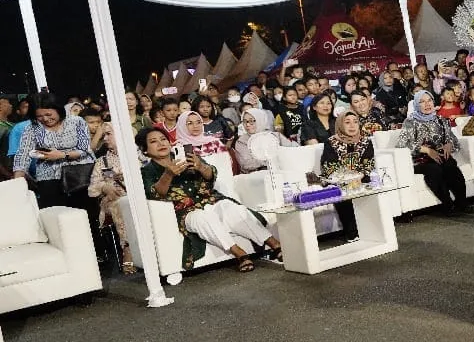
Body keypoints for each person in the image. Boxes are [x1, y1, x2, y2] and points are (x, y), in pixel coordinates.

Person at [137, 128, 280, 272]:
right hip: (186, 211)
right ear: (145, 150)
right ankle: (239, 253)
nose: (160, 143)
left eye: (163, 139)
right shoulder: (147, 171)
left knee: (231, 208)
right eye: (153, 142)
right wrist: (168, 174)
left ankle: (274, 244)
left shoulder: (187, 156)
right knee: (201, 217)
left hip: (211, 200)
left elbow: (211, 175)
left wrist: (200, 166)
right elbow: (154, 194)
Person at [13, 94, 95, 210]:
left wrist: (61, 155)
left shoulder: (77, 122)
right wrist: (18, 182)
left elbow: (85, 149)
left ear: (58, 110)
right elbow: (23, 154)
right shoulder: (32, 127)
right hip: (49, 179)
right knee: (55, 218)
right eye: (39, 116)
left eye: (48, 114)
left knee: (86, 215)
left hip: (80, 177)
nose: (45, 119)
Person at [398, 90, 469, 213]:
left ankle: (461, 203)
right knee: (434, 170)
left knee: (450, 165)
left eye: (429, 100)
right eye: (422, 102)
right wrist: (426, 150)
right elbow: (401, 145)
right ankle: (448, 205)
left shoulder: (441, 119)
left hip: (440, 156)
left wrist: (449, 144)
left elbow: (455, 142)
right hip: (420, 161)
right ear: (416, 105)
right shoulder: (410, 122)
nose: (427, 104)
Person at [320, 111, 376, 240]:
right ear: (340, 124)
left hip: (361, 176)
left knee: (371, 182)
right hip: (339, 179)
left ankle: (372, 229)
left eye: (355, 122)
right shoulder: (331, 142)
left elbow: (368, 163)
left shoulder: (366, 141)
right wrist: (348, 178)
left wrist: (358, 176)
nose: (352, 125)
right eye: (347, 122)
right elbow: (329, 166)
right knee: (340, 190)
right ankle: (352, 233)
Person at [88, 123, 134, 273]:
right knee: (120, 204)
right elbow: (92, 189)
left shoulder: (137, 155)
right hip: (114, 200)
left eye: (109, 134)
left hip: (138, 196)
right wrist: (104, 187)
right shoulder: (102, 162)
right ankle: (127, 248)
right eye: (104, 135)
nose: (105, 138)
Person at [233, 107, 296, 172]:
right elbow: (246, 164)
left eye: (251, 121)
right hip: (256, 175)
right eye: (245, 121)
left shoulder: (275, 136)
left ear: (260, 120)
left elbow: (292, 151)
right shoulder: (242, 141)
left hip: (281, 171)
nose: (247, 124)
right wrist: (269, 161)